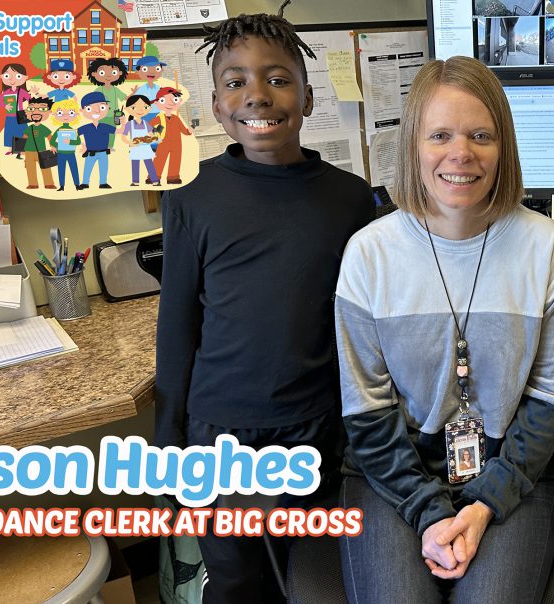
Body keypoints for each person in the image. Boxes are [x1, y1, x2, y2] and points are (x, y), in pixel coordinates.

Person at [335, 56, 554, 603]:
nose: (460, 153)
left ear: (504, 147)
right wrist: (427, 512)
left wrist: (482, 503)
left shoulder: (547, 248)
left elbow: (550, 397)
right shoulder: (369, 255)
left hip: (512, 472)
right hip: (392, 473)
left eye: (480, 135)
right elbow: (366, 408)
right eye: (440, 134)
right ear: (413, 147)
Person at [154, 8, 375, 603]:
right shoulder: (192, 201)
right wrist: (166, 441)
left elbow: (361, 323)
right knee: (236, 578)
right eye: (235, 82)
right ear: (218, 104)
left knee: (308, 572)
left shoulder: (350, 200)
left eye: (277, 79)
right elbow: (177, 328)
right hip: (221, 430)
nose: (257, 94)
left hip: (317, 426)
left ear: (305, 96)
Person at [149, 87, 192, 184]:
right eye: (164, 100)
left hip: (176, 144)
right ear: (157, 103)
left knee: (175, 160)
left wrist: (190, 130)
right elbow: (148, 126)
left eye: (174, 100)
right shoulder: (159, 117)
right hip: (163, 142)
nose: (170, 103)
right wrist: (154, 134)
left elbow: (184, 131)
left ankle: (173, 177)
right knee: (159, 160)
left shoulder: (176, 118)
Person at [118, 95, 161, 186]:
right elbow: (123, 137)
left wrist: (155, 139)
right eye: (134, 107)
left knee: (149, 164)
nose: (140, 110)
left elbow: (152, 135)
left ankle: (155, 181)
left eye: (145, 107)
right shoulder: (129, 124)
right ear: (128, 109)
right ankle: (135, 181)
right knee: (135, 165)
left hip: (145, 147)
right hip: (135, 148)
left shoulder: (146, 123)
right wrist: (130, 143)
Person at [77, 91, 116, 190]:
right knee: (87, 168)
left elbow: (118, 131)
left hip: (103, 152)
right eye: (90, 108)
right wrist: (82, 145)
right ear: (82, 110)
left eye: (101, 107)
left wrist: (123, 122)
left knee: (103, 168)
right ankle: (85, 182)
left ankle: (103, 183)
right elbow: (74, 134)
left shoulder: (105, 126)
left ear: (107, 107)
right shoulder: (85, 127)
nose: (97, 111)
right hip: (90, 152)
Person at [86, 57, 128, 147]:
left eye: (113, 72)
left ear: (120, 73)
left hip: (114, 116)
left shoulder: (115, 90)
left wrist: (134, 94)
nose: (108, 76)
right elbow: (93, 102)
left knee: (112, 131)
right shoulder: (98, 89)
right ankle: (101, 144)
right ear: (94, 74)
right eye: (102, 72)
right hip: (101, 115)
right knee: (101, 130)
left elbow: (125, 98)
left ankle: (110, 146)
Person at [19, 96, 56, 190]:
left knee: (46, 168)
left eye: (41, 109)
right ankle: (33, 184)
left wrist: (52, 146)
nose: (36, 113)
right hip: (29, 152)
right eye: (32, 109)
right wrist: (21, 150)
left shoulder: (43, 128)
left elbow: (50, 137)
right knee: (30, 169)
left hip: (41, 151)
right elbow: (24, 138)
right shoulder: (29, 128)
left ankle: (49, 183)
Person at [48, 98, 82, 191]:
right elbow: (52, 140)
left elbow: (78, 141)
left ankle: (77, 185)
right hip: (61, 153)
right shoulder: (59, 129)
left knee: (74, 169)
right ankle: (62, 186)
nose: (66, 115)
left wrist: (70, 142)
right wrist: (59, 145)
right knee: (61, 169)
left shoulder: (73, 130)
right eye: (61, 113)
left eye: (70, 112)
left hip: (71, 153)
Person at [0, 63, 32, 158]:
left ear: (25, 78)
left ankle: (20, 150)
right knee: (9, 132)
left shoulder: (21, 91)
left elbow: (30, 99)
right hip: (9, 116)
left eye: (17, 76)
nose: (12, 79)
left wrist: (29, 109)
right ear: (2, 77)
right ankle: (10, 148)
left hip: (20, 116)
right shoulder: (5, 92)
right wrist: (5, 106)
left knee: (21, 132)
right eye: (7, 76)